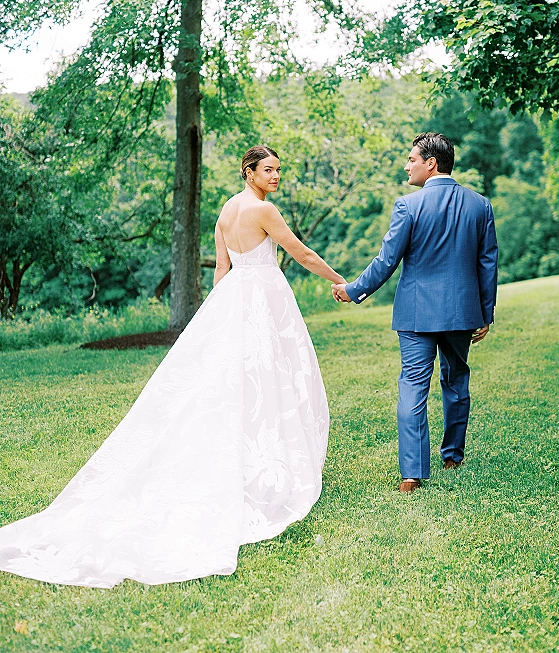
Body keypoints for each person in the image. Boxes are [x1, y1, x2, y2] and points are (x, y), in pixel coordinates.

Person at [0, 145, 345, 587]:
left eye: (280, 169)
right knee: (268, 382)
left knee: (242, 386)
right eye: (269, 170)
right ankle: (269, 469)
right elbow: (300, 253)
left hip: (236, 300)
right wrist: (340, 281)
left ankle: (257, 459)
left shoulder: (226, 211)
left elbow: (222, 271)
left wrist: (219, 317)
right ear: (249, 172)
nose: (277, 176)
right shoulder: (264, 210)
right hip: (262, 300)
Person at [332, 133, 498, 493]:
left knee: (412, 386)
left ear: (431, 163)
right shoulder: (480, 205)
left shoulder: (408, 206)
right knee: (456, 381)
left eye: (411, 159)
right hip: (461, 313)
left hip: (416, 314)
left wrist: (353, 290)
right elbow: (487, 263)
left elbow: (387, 261)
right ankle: (453, 456)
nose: (407, 166)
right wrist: (486, 313)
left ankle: (412, 474)